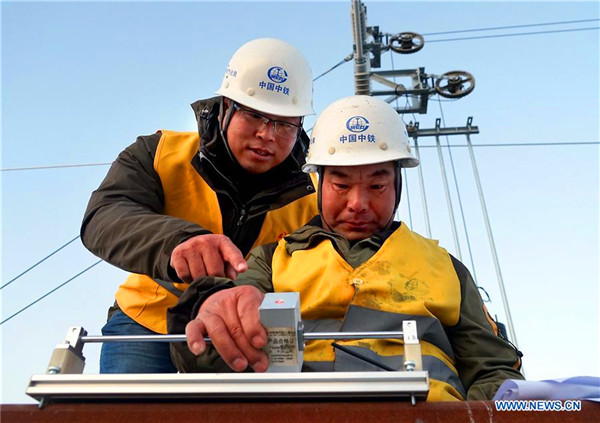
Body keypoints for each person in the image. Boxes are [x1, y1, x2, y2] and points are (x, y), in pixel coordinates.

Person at [168, 95, 524, 401]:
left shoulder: (446, 268)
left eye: (377, 185)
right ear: (319, 182)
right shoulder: (271, 260)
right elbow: (223, 346)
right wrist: (214, 316)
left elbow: (492, 372)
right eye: (341, 184)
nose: (358, 203)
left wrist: (481, 414)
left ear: (397, 184)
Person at [80, 38, 318, 373]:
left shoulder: (315, 196)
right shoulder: (158, 152)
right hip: (149, 322)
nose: (267, 134)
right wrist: (179, 241)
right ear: (225, 108)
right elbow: (104, 217)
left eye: (284, 123)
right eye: (254, 115)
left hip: (248, 331)